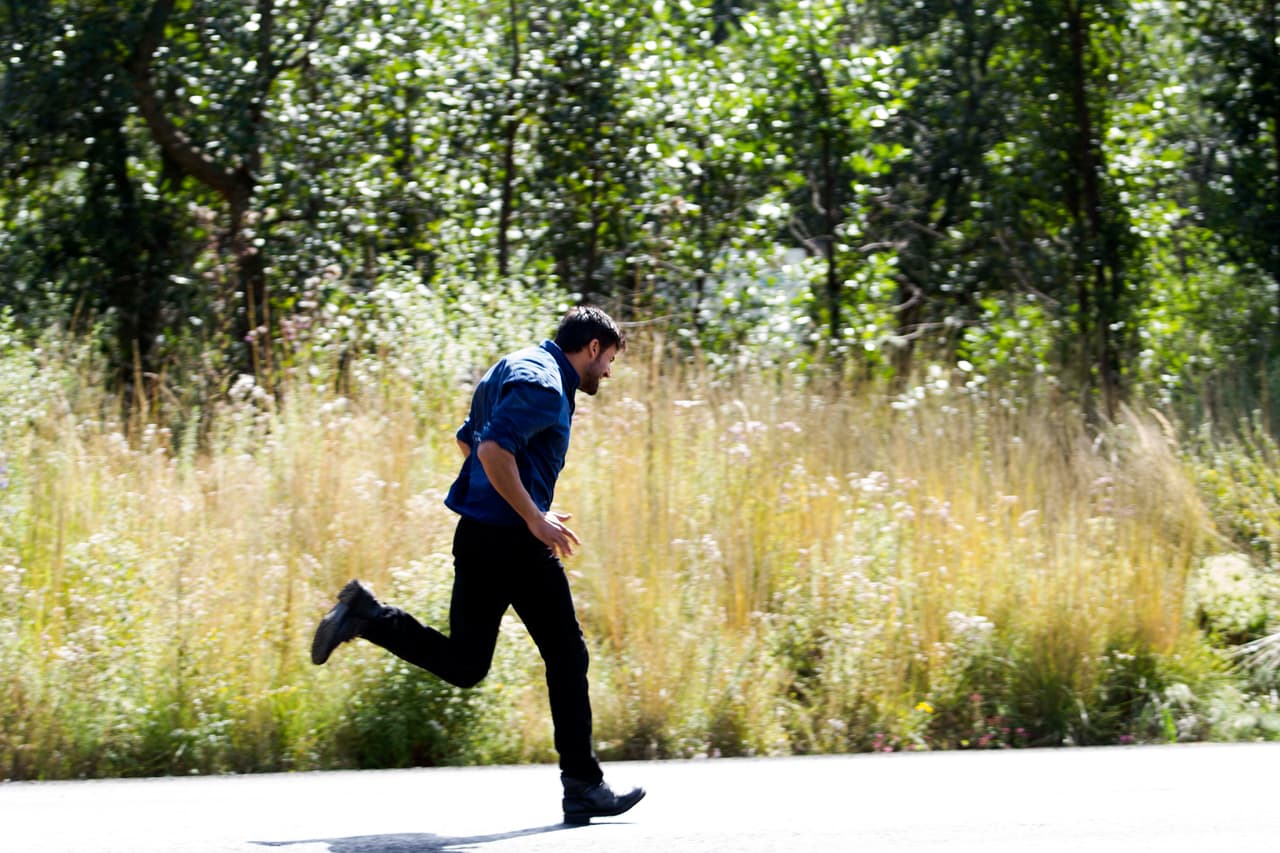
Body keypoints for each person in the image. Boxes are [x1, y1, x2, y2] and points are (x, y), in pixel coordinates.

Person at [310, 305, 644, 825]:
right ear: (594, 347)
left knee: (467, 665)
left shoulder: (511, 365)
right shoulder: (547, 386)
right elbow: (490, 449)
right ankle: (582, 785)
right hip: (514, 543)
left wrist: (527, 500)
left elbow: (467, 439)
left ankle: (367, 615)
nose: (608, 373)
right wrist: (533, 517)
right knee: (566, 655)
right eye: (610, 361)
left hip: (480, 537)